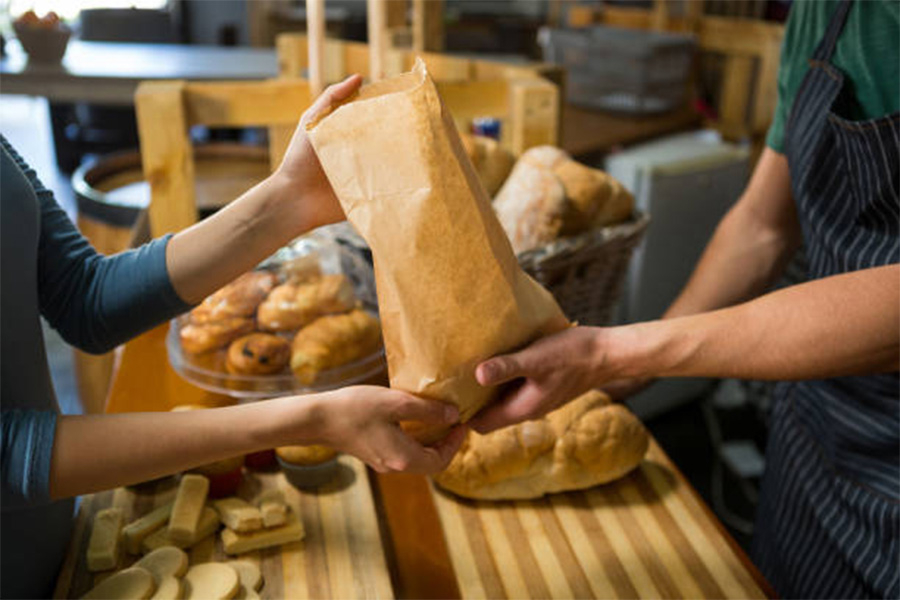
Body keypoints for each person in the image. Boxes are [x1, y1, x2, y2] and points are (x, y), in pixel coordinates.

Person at [468, 0, 899, 597]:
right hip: (812, 427)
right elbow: (763, 226)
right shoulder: (824, 12)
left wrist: (620, 354)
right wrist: (621, 376)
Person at [1, 74, 465, 598]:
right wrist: (307, 418)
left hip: (60, 544)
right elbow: (7, 453)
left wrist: (290, 199)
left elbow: (83, 297)